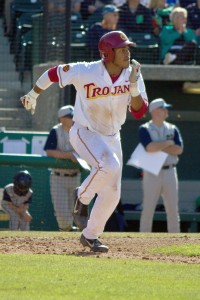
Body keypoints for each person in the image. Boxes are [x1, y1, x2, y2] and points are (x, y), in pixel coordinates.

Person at [20, 30, 148, 252]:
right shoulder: (86, 70)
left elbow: (139, 112)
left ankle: (90, 236)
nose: (127, 52)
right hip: (84, 131)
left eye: (128, 48)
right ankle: (81, 195)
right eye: (122, 49)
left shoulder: (133, 74)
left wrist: (134, 87)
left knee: (113, 193)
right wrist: (33, 94)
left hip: (112, 135)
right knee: (109, 165)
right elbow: (53, 73)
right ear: (108, 53)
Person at [139, 98, 183, 233]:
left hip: (170, 170)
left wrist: (159, 145)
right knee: (148, 207)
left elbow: (179, 149)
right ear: (155, 111)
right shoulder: (145, 128)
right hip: (152, 171)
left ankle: (175, 238)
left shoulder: (172, 128)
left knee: (172, 208)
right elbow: (149, 147)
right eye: (163, 109)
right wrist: (168, 143)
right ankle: (143, 239)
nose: (166, 111)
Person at [43, 105, 81, 231]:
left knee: (73, 210)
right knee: (62, 212)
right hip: (59, 176)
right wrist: (68, 155)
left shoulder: (79, 130)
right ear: (61, 118)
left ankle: (69, 231)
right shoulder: (56, 131)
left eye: (73, 116)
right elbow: (49, 151)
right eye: (70, 117)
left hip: (76, 175)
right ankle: (66, 230)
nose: (73, 119)